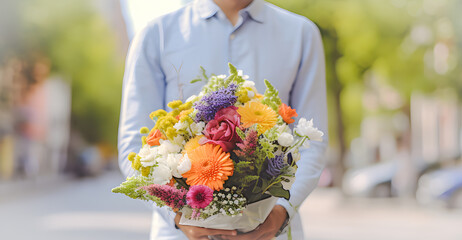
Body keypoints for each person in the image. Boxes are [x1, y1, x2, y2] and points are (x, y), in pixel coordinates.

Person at [118, 0, 328, 239]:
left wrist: (280, 215)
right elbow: (135, 146)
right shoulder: (157, 34)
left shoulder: (301, 33)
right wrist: (177, 217)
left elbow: (313, 141)